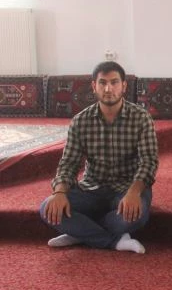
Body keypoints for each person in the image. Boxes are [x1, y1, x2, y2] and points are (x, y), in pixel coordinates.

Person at [39, 61, 158, 254]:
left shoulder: (141, 118)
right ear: (94, 86)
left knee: (135, 216)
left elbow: (149, 162)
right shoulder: (81, 121)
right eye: (102, 83)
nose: (108, 89)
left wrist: (134, 192)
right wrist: (59, 193)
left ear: (124, 86)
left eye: (114, 82)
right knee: (47, 208)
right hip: (92, 189)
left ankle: (81, 232)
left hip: (127, 188)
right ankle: (113, 241)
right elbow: (68, 163)